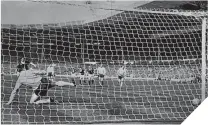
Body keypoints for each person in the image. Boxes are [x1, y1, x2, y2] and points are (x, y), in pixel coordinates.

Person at [6, 60, 76, 105]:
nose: (16, 73)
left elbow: (14, 91)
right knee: (56, 83)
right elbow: (43, 72)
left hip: (41, 86)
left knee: (32, 102)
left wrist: (9, 101)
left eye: (16, 71)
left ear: (18, 71)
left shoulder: (19, 79)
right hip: (44, 80)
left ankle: (49, 100)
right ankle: (71, 84)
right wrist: (42, 72)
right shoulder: (30, 71)